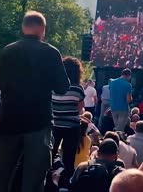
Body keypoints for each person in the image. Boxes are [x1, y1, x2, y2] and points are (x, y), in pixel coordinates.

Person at [0, 11, 70, 192]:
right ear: (43, 29)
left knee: (2, 176)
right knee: (33, 180)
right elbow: (62, 87)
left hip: (9, 120)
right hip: (38, 122)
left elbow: (1, 83)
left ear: (23, 27)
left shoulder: (7, 51)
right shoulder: (51, 52)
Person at [51, 56, 85, 187]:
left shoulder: (53, 86)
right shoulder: (78, 89)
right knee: (69, 157)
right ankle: (65, 184)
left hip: (55, 125)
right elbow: (81, 109)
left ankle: (49, 180)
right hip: (72, 127)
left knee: (51, 153)